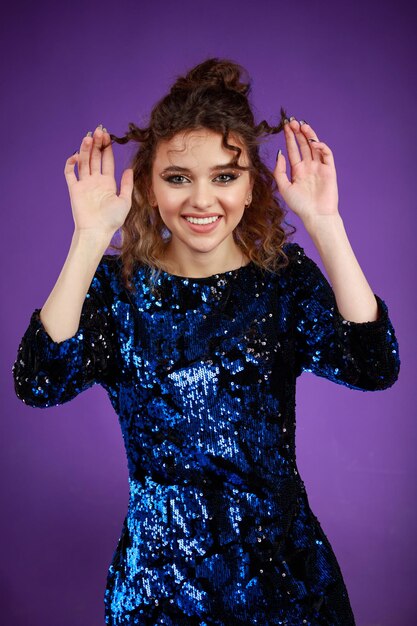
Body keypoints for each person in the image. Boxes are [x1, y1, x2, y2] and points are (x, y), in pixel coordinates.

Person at [12, 57, 400, 625]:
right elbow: (39, 381)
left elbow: (374, 364)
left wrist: (326, 223)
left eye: (224, 176)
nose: (201, 200)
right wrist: (90, 237)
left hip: (285, 582)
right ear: (149, 182)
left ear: (251, 186)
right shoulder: (116, 290)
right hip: (158, 590)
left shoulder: (283, 280)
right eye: (178, 177)